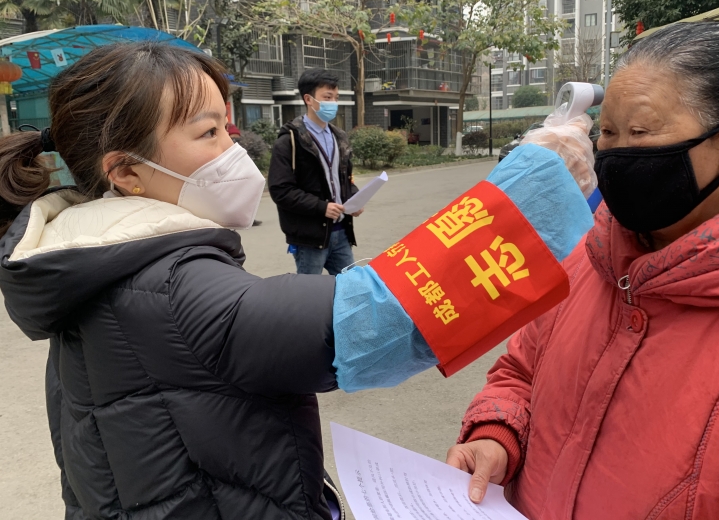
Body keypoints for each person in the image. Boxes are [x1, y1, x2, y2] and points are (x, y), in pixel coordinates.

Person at [0, 41, 593, 519]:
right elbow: (378, 316)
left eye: (227, 127)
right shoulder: (172, 286)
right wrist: (538, 181)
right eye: (208, 133)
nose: (232, 149)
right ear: (126, 171)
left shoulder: (88, 255)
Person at [446, 22, 719, 518]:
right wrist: (496, 435)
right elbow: (520, 373)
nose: (615, 153)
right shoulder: (588, 258)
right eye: (608, 132)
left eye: (640, 133)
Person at [268, 69, 361, 275]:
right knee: (309, 292)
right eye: (327, 97)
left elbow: (343, 179)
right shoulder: (290, 141)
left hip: (341, 232)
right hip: (310, 238)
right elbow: (280, 190)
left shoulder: (339, 137)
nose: (333, 103)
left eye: (336, 98)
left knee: (352, 287)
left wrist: (354, 198)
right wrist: (321, 207)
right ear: (308, 99)